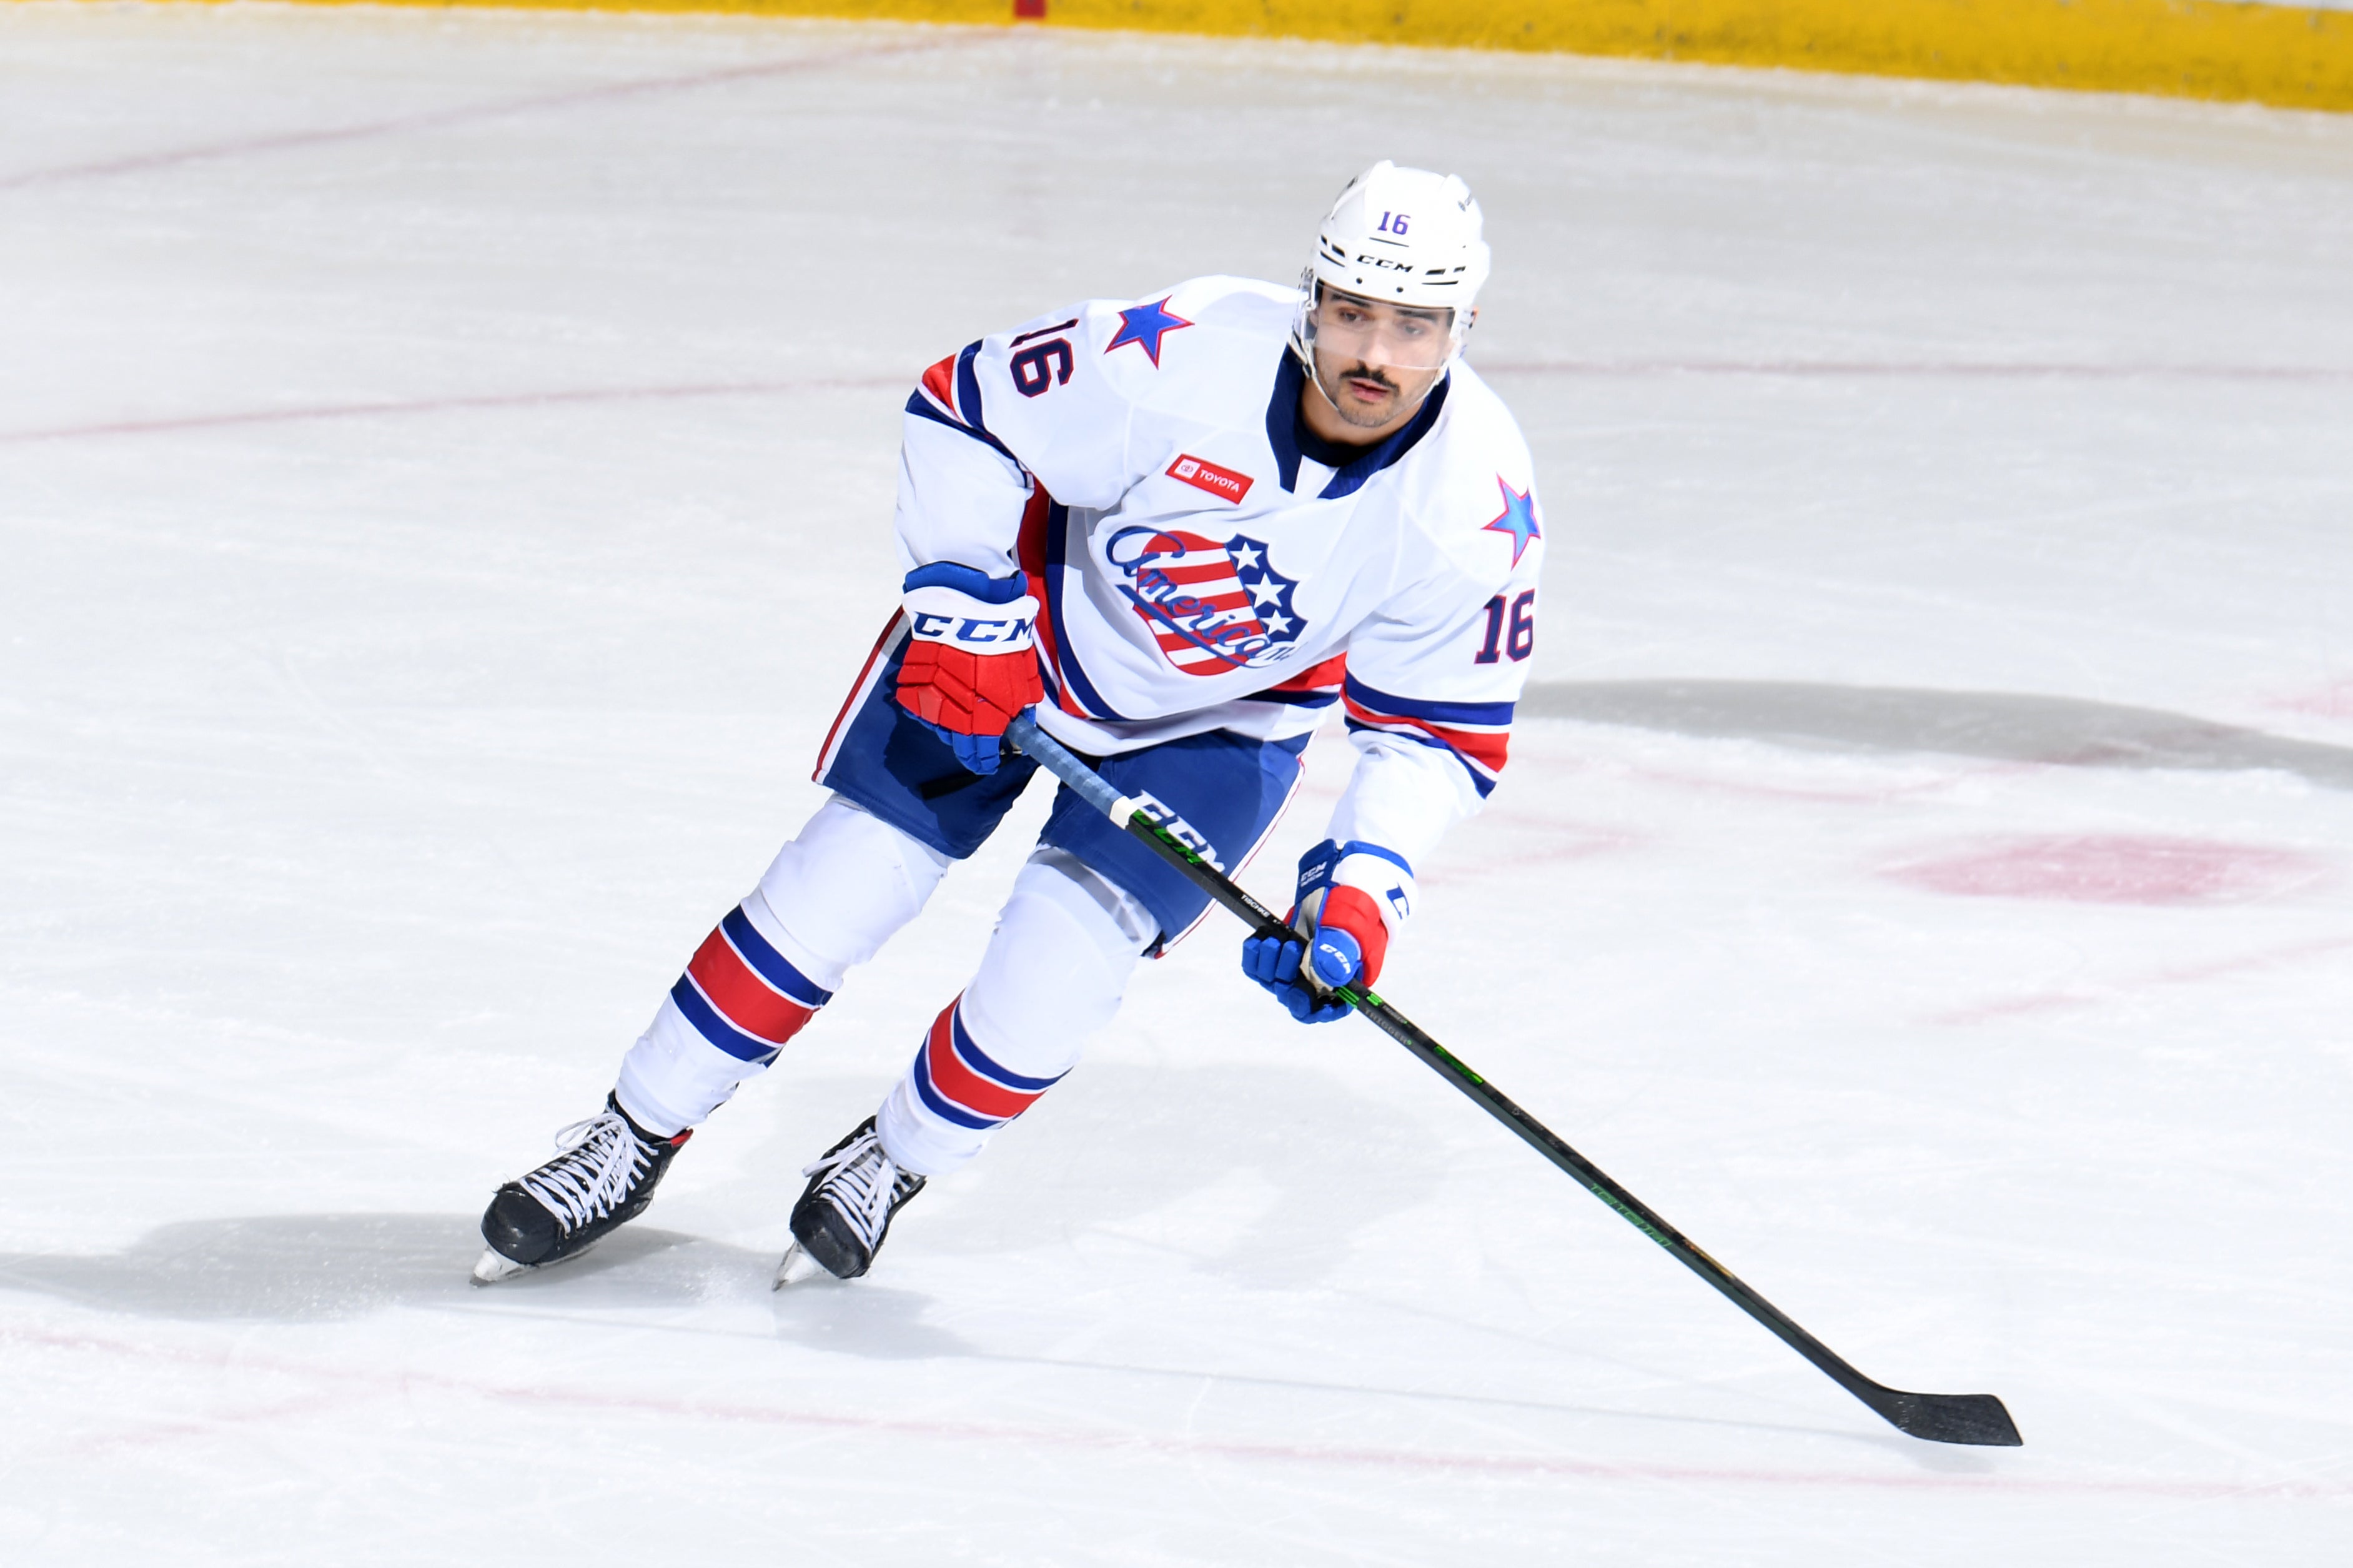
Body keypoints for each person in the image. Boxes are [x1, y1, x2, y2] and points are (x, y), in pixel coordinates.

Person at [472, 160, 1546, 1288]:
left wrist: (1363, 886)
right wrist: (964, 614)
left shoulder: (1477, 507)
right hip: (1018, 641)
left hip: (1218, 727)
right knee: (831, 891)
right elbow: (965, 407)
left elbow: (1438, 733)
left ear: (1465, 326)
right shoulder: (1181, 351)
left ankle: (890, 1159)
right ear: (1310, 299)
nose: (1376, 354)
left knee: (1049, 991)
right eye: (1353, 312)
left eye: (1417, 325)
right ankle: (631, 1133)